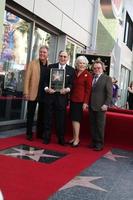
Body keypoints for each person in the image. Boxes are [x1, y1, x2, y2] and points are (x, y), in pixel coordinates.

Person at [43, 50, 75, 145]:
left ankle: (61, 139)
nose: (62, 58)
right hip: (50, 96)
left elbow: (72, 84)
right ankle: (47, 138)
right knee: (48, 118)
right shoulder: (51, 67)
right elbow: (44, 81)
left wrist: (67, 89)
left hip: (62, 98)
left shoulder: (71, 70)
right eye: (61, 56)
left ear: (68, 58)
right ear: (58, 57)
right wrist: (46, 89)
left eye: (65, 57)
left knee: (61, 120)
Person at [23, 45, 49, 140]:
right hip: (33, 92)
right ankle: (29, 133)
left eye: (44, 52)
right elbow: (27, 79)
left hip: (44, 94)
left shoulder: (50, 65)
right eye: (41, 52)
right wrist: (26, 92)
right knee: (30, 114)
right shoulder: (32, 63)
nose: (42, 53)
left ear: (47, 54)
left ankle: (39, 133)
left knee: (41, 115)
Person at [89, 60, 112, 151]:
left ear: (102, 68)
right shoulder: (91, 77)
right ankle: (94, 141)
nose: (96, 69)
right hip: (91, 105)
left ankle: (99, 143)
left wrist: (106, 104)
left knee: (100, 126)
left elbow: (109, 94)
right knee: (93, 125)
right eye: (95, 68)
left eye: (98, 68)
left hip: (101, 106)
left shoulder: (107, 78)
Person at [69, 56, 92, 147]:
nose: (81, 65)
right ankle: (74, 137)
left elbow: (88, 90)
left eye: (83, 63)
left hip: (80, 101)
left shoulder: (88, 75)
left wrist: (85, 102)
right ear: (77, 64)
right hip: (73, 99)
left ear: (86, 65)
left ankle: (77, 139)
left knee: (76, 119)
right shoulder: (74, 73)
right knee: (73, 118)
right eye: (80, 63)